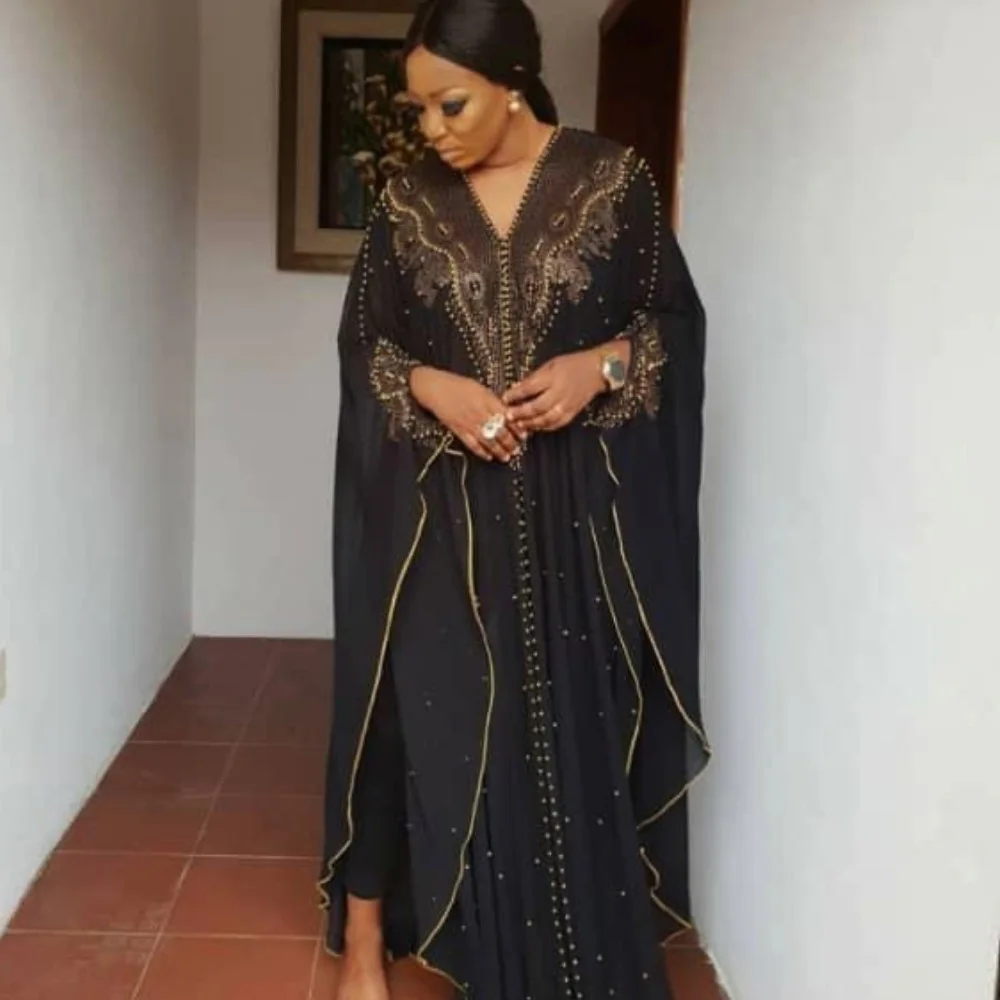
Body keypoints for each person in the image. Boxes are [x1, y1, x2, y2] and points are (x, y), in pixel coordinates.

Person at [319, 0, 711, 997]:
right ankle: (364, 939)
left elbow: (672, 326)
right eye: (417, 111)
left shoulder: (611, 180)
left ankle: (542, 955)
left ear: (514, 83)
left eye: (449, 105)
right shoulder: (406, 204)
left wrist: (599, 366)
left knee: (556, 726)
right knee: (404, 704)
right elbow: (364, 346)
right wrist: (429, 385)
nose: (432, 130)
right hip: (436, 511)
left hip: (572, 523)